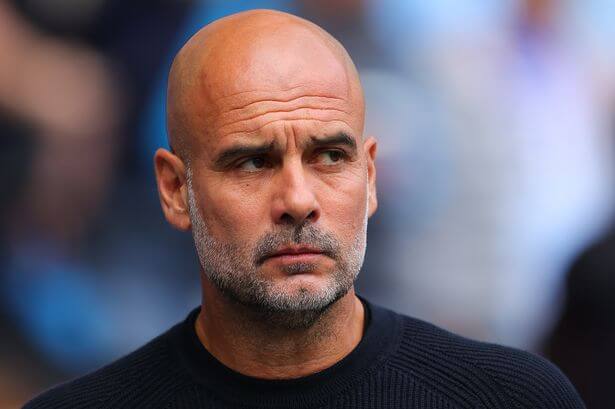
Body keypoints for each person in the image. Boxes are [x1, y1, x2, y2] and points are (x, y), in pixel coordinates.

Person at [24, 9, 584, 409]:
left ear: (369, 178)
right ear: (175, 190)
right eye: (252, 162)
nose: (298, 201)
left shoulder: (511, 396)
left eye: (330, 157)